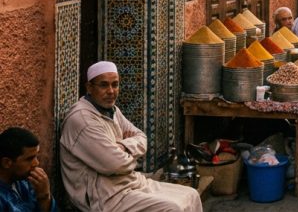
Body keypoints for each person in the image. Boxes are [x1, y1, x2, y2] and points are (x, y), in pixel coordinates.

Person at [60, 62, 201, 212]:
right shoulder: (82, 120)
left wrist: (123, 146)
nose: (111, 91)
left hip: (129, 182)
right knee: (172, 208)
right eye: (104, 85)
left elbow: (142, 138)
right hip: (105, 196)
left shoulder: (112, 110)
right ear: (89, 87)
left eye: (115, 85)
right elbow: (116, 164)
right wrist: (130, 154)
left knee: (191, 195)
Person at [0, 127, 55, 212]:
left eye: (36, 156)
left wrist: (44, 197)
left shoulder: (24, 182)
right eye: (29, 159)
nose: (36, 163)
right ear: (7, 163)